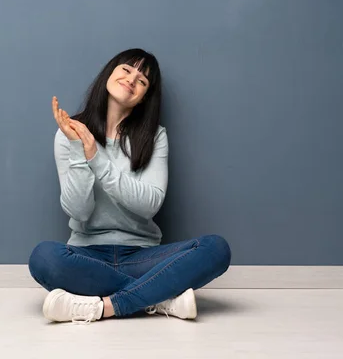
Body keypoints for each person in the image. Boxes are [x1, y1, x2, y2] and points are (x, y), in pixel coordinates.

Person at [29, 48, 231, 324]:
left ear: (145, 96)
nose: (132, 79)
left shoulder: (155, 137)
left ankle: (104, 307)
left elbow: (149, 205)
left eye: (143, 80)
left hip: (143, 257)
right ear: (109, 73)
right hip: (87, 256)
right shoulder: (70, 133)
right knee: (43, 257)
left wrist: (96, 158)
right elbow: (79, 211)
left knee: (216, 248)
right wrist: (79, 149)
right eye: (126, 69)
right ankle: (158, 299)